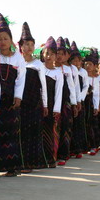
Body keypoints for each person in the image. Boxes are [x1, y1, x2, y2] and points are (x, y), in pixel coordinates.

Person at [0, 13, 26, 177]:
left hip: (11, 101)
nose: (2, 42)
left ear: (11, 40)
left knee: (11, 132)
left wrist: (18, 97)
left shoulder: (18, 58)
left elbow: (20, 79)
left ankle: (12, 167)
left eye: (5, 38)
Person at [19, 23, 48, 171]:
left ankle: (31, 163)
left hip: (34, 103)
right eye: (26, 44)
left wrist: (45, 105)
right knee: (21, 132)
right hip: (20, 102)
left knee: (33, 133)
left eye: (31, 44)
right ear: (21, 46)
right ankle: (20, 163)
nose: (29, 47)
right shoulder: (16, 61)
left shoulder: (38, 64)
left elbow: (43, 86)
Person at [55, 37, 77, 165]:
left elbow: (72, 87)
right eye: (57, 53)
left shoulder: (68, 70)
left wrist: (74, 103)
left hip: (65, 101)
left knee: (65, 127)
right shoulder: (47, 67)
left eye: (62, 54)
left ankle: (63, 154)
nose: (59, 56)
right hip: (53, 101)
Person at [41, 37, 63, 168]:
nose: (49, 56)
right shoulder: (39, 67)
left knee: (49, 131)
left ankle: (50, 158)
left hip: (51, 104)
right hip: (39, 104)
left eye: (52, 54)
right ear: (42, 54)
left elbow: (59, 92)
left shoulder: (58, 73)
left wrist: (56, 109)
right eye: (47, 53)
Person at [69, 42, 88, 158]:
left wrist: (80, 98)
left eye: (78, 61)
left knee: (79, 125)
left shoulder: (83, 72)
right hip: (71, 99)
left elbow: (85, 86)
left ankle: (79, 149)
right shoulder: (68, 70)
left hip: (80, 99)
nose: (76, 63)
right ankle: (70, 149)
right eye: (74, 60)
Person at [83, 49, 100, 155]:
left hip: (89, 103)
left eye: (90, 64)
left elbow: (97, 94)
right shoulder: (81, 75)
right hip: (81, 101)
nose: (88, 66)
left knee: (90, 125)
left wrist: (96, 106)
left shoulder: (96, 79)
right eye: (86, 64)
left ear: (94, 66)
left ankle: (93, 146)